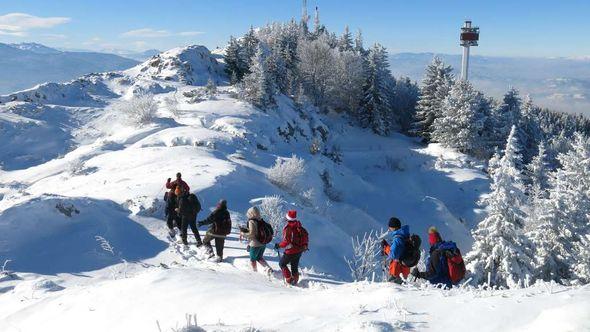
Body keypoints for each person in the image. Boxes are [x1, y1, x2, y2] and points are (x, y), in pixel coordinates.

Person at [275, 210, 308, 286]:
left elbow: (286, 241)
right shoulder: (299, 226)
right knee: (294, 266)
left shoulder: (288, 228)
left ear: (288, 218)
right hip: (299, 250)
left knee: (282, 264)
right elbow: (305, 237)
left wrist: (279, 245)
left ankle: (289, 279)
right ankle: (295, 281)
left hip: (291, 251)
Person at [240, 207, 272, 273]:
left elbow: (252, 233)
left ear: (251, 213)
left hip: (255, 244)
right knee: (259, 257)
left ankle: (254, 272)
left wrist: (243, 233)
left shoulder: (251, 221)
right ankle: (268, 268)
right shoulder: (261, 220)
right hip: (263, 243)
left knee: (253, 259)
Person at [382, 217, 411, 284]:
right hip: (404, 270)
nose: (389, 229)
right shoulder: (405, 236)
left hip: (397, 270)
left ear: (393, 227)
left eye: (390, 227)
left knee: (394, 291)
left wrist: (386, 247)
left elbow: (393, 255)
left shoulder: (398, 238)